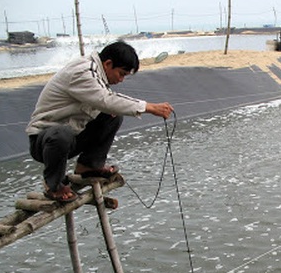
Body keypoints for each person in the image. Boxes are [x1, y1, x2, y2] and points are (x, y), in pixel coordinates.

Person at [26, 40, 174, 202]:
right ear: (108, 64)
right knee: (63, 132)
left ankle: (89, 165)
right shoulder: (83, 72)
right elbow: (106, 99)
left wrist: (143, 107)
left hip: (71, 138)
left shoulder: (97, 74)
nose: (121, 80)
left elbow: (108, 103)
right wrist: (150, 108)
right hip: (45, 143)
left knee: (113, 115)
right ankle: (53, 185)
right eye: (121, 74)